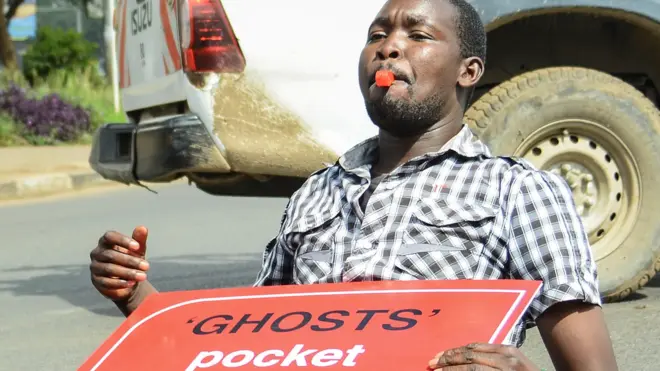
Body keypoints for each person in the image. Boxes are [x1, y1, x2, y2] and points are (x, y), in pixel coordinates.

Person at [88, 0, 619, 369]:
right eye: (377, 36)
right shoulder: (316, 192)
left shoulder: (520, 192)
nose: (389, 49)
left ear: (468, 70)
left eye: (418, 35)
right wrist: (137, 295)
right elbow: (245, 344)